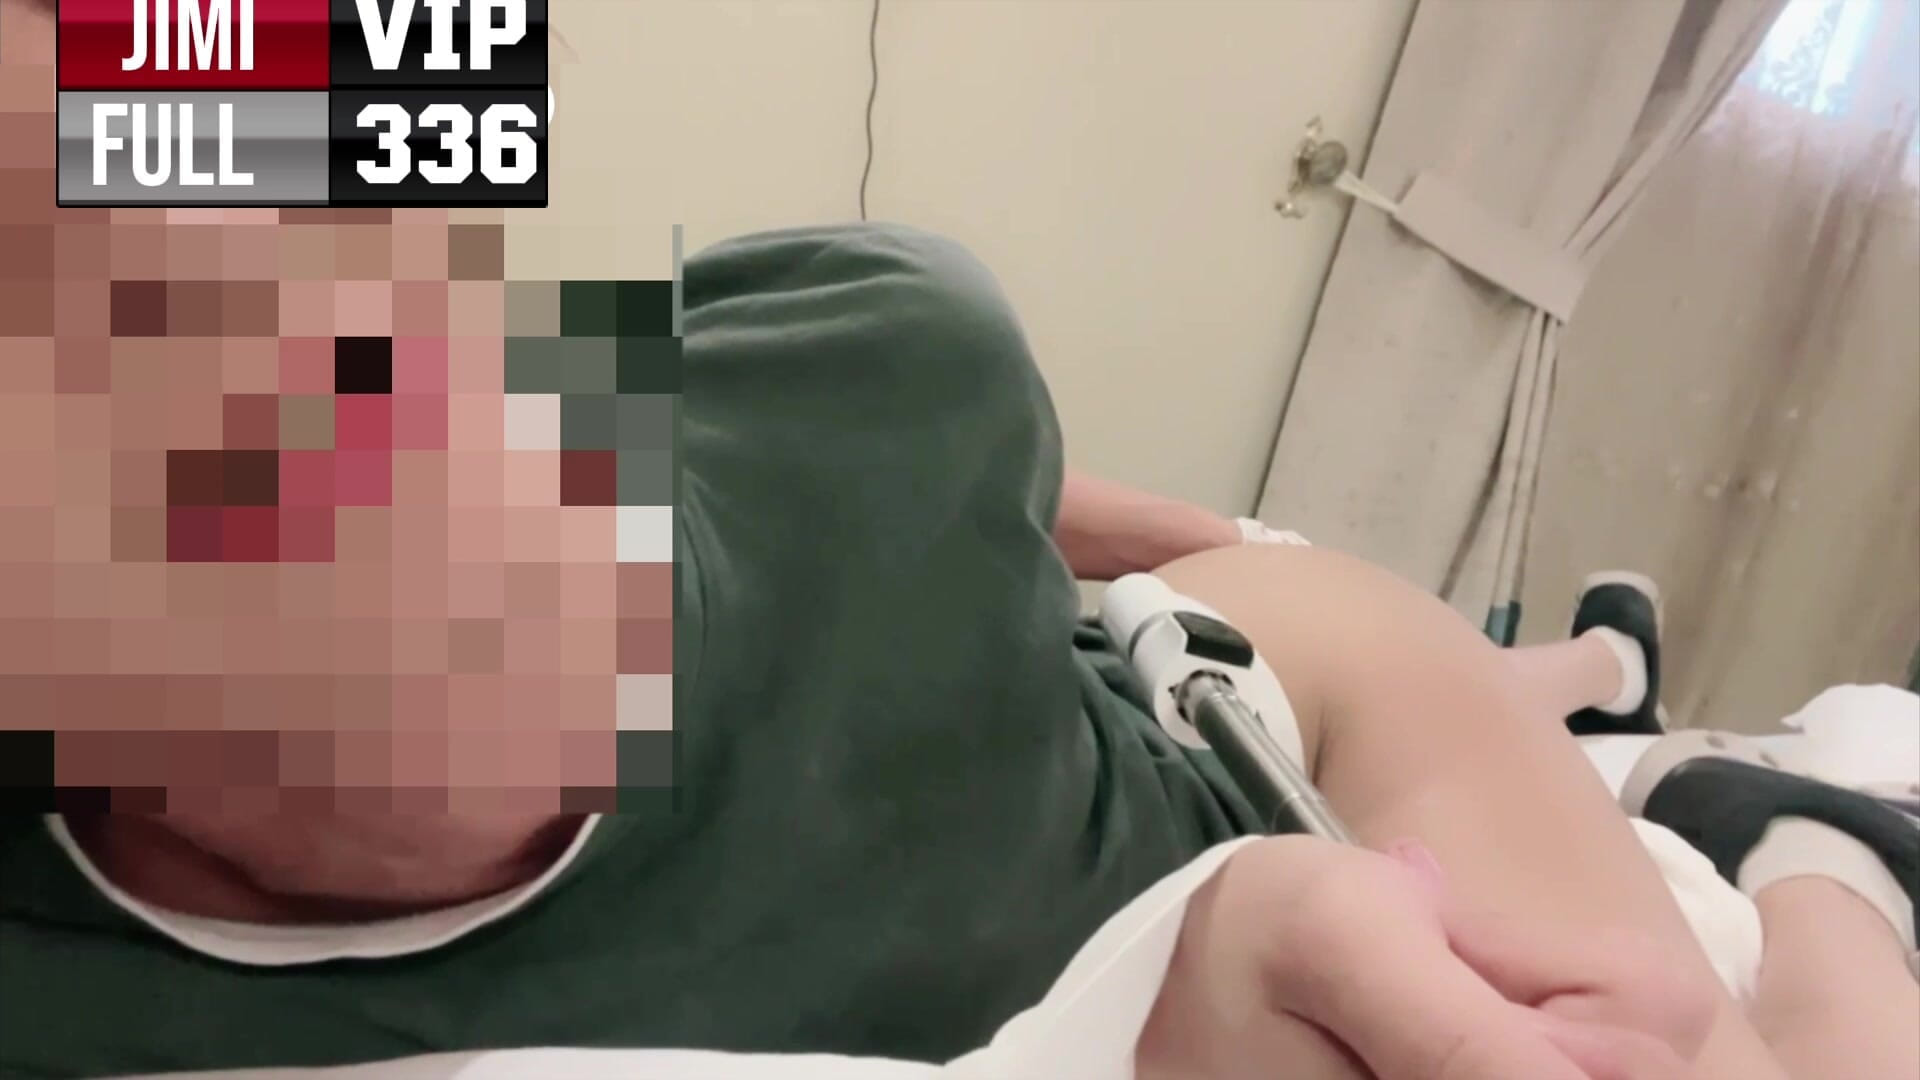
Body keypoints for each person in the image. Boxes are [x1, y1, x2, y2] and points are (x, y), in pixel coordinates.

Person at [2, 0, 1915, 1076]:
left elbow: (1153, 547)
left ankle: (1737, 802)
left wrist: (1242, 554)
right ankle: (1745, 798)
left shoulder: (871, 339)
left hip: (1287, 690)